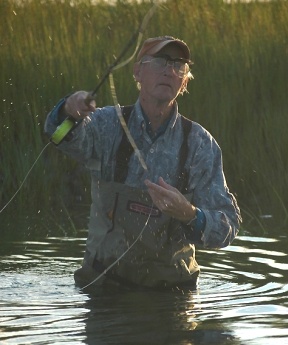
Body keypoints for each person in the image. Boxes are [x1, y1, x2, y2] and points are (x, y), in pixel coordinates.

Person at [44, 36, 242, 290]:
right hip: (104, 293)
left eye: (178, 66)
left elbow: (228, 226)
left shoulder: (200, 144)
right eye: (160, 62)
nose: (169, 71)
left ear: (183, 82)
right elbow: (58, 135)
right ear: (138, 72)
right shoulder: (106, 124)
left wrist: (190, 214)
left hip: (172, 298)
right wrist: (68, 111)